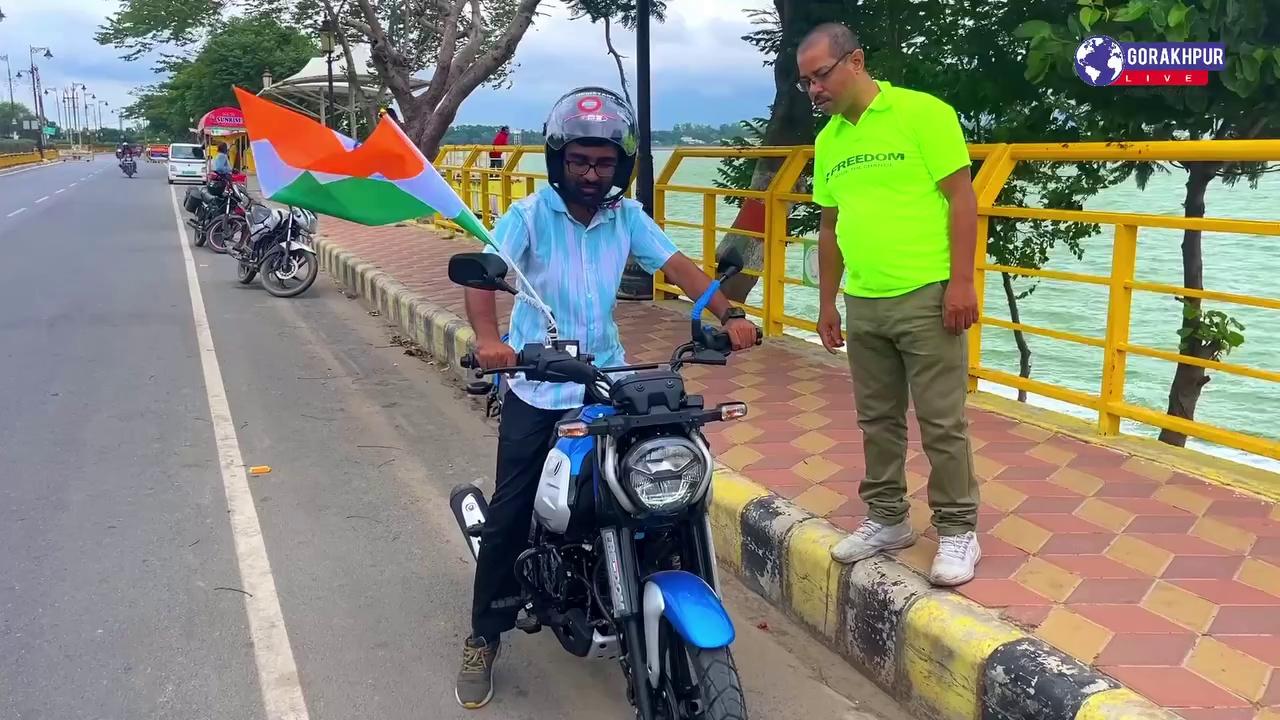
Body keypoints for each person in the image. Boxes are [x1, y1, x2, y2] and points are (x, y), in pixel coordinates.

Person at [455, 86, 759, 709]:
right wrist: (490, 342)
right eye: (579, 162)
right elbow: (484, 275)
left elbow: (679, 267)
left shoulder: (626, 216)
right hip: (539, 386)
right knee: (512, 511)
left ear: (619, 165)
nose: (591, 175)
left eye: (603, 163)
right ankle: (484, 634)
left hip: (607, 382)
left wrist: (730, 314)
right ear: (559, 159)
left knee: (656, 493)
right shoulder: (531, 215)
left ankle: (648, 593)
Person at [797, 23, 982, 587]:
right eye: (805, 82)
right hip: (865, 300)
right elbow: (830, 226)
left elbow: (962, 199)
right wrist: (828, 302)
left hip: (928, 293)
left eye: (821, 75)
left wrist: (960, 283)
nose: (813, 91)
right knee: (877, 420)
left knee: (941, 420)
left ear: (855, 61)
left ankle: (957, 529)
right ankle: (888, 518)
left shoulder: (923, 113)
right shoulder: (829, 140)